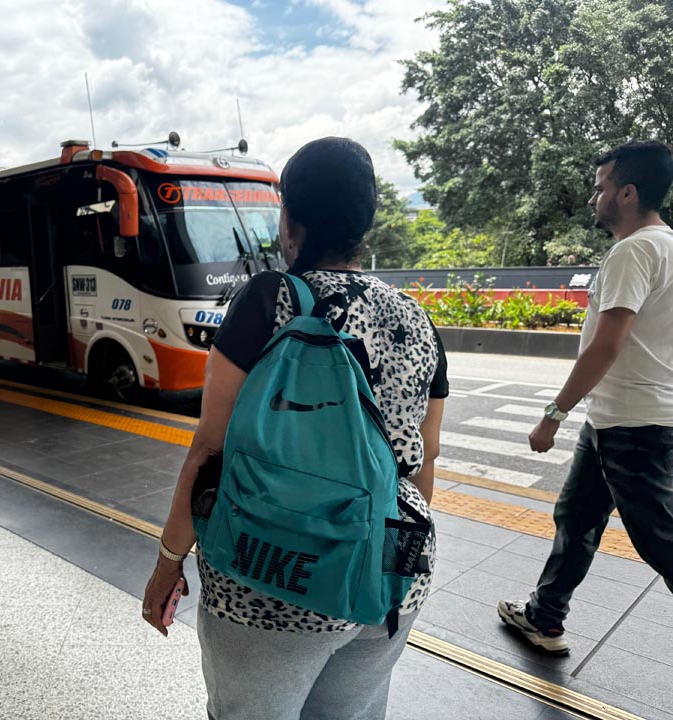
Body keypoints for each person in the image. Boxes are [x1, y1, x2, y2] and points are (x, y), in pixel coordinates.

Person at [142, 137, 448, 720]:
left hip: (272, 578)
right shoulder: (416, 315)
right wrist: (382, 553)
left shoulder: (270, 299)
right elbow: (424, 460)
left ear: (291, 222)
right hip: (387, 578)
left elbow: (210, 446)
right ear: (365, 223)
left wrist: (167, 562)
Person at [499, 141, 673, 655]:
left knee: (661, 540)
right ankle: (544, 617)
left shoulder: (635, 249)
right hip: (617, 419)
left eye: (600, 189)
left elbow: (607, 342)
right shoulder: (668, 245)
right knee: (577, 517)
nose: (593, 199)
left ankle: (545, 614)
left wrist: (554, 413)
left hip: (633, 425)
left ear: (627, 193)